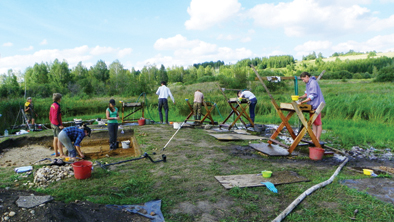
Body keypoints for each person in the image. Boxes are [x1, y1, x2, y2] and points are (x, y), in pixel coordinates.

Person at [299, 72, 325, 142]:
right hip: (312, 105)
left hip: (317, 104)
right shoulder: (308, 83)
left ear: (307, 76)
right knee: (313, 122)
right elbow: (307, 94)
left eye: (303, 79)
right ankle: (314, 138)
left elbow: (312, 96)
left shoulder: (313, 83)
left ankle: (317, 139)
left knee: (318, 123)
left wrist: (302, 102)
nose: (303, 81)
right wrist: (301, 97)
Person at [49, 93, 65, 157]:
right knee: (59, 139)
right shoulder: (57, 106)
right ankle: (61, 154)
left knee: (55, 138)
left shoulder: (52, 105)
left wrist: (51, 121)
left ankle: (56, 153)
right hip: (56, 124)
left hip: (52, 123)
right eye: (60, 98)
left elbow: (50, 115)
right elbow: (55, 117)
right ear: (58, 99)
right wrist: (59, 125)